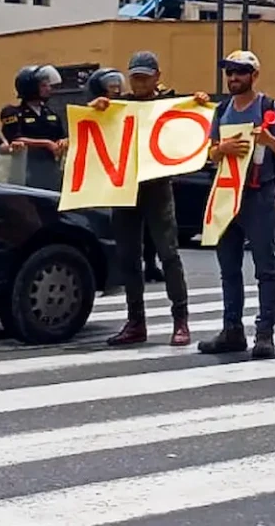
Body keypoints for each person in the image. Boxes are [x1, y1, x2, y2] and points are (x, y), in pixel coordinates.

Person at [99, 52, 203, 348]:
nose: (140, 82)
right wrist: (99, 110)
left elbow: (193, 126)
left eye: (145, 76)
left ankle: (181, 320)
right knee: (128, 257)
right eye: (135, 77)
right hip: (126, 186)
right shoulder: (121, 106)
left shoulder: (170, 104)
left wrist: (198, 103)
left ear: (157, 76)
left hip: (158, 187)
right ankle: (135, 322)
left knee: (168, 253)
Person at [201, 49, 275, 360]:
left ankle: (264, 333)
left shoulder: (269, 107)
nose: (233, 78)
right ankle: (232, 330)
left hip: (258, 194)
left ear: (254, 75)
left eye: (240, 72)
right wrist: (221, 148)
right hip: (227, 193)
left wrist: (270, 141)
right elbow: (208, 153)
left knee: (265, 266)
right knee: (228, 267)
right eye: (229, 72)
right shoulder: (222, 110)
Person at [1, 65, 68, 191]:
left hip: (51, 172)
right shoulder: (12, 112)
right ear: (31, 87)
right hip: (26, 173)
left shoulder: (51, 113)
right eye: (43, 85)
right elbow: (15, 139)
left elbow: (61, 136)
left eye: (48, 85)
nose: (49, 89)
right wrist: (46, 144)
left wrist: (63, 142)